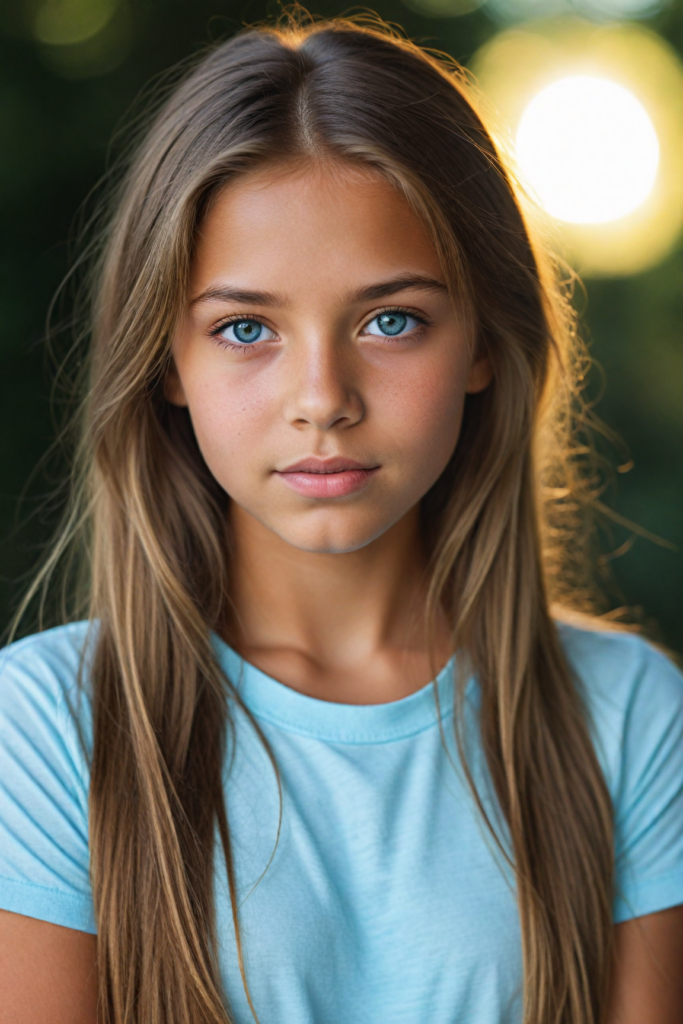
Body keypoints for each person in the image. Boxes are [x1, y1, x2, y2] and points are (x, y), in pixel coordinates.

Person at [0, 14, 681, 1024]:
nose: (321, 395)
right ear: (166, 364)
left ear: (484, 345)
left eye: (388, 319)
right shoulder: (48, 727)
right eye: (244, 328)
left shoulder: (623, 718)